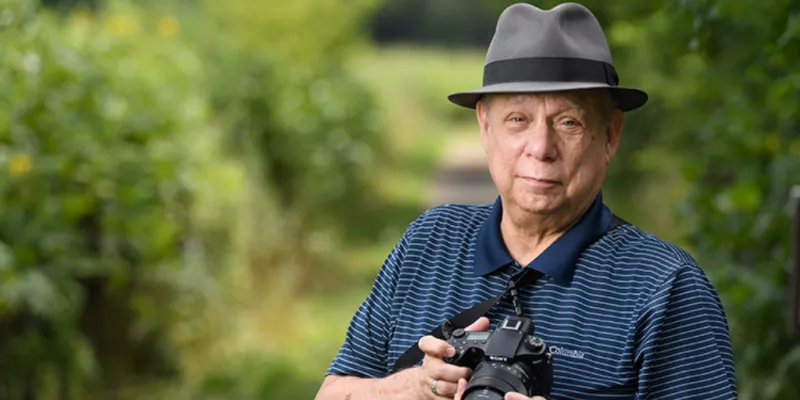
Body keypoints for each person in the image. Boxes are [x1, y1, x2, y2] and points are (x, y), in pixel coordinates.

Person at [314, 2, 738, 400]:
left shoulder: (663, 286)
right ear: (485, 126)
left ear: (610, 135)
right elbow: (332, 392)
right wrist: (413, 387)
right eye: (517, 119)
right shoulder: (428, 242)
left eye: (568, 122)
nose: (541, 148)